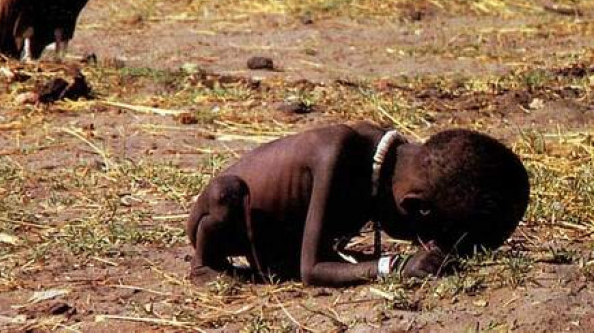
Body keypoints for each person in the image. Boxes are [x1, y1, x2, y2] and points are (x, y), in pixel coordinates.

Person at [186, 121, 530, 286]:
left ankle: (274, 260)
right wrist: (391, 266)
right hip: (227, 219)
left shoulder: (384, 163)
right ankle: (206, 266)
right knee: (224, 196)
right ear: (414, 207)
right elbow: (312, 270)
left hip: (279, 239)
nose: (424, 245)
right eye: (425, 236)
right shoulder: (337, 155)